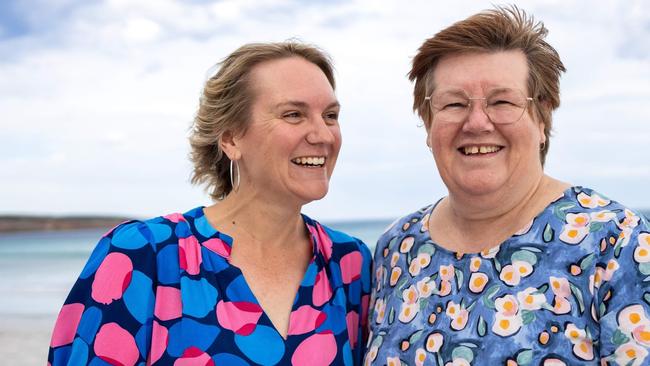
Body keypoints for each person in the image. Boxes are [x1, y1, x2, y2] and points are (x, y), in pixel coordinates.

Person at [48, 41, 371, 366]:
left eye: (330, 116)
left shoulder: (349, 264)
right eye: (293, 114)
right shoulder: (142, 256)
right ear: (231, 138)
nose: (324, 135)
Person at [365, 6, 650, 366]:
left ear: (542, 118)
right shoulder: (396, 249)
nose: (477, 122)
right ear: (428, 122)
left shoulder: (618, 244)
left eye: (502, 101)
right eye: (454, 104)